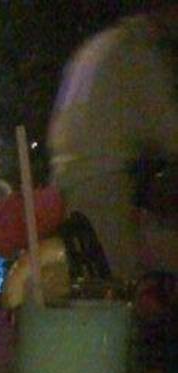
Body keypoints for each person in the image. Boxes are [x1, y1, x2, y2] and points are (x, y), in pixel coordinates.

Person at [48, 3, 178, 280]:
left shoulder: (95, 48)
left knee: (91, 278)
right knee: (122, 282)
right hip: (104, 186)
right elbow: (168, 128)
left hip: (65, 185)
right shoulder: (137, 51)